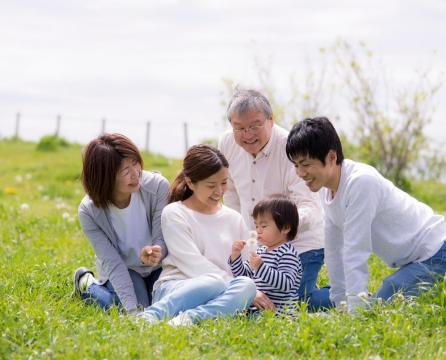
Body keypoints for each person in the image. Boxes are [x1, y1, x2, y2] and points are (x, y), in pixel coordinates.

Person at [285, 116, 446, 312]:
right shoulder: (326, 189)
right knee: (379, 298)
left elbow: (355, 251)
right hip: (415, 259)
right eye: (295, 165)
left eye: (306, 164)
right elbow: (334, 249)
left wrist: (355, 313)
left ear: (331, 157)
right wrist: (339, 302)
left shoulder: (360, 182)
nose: (300, 173)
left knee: (380, 305)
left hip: (436, 251)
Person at [218, 88, 331, 311]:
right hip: (259, 246)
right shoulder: (227, 143)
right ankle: (306, 285)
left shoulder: (290, 147)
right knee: (252, 299)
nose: (247, 135)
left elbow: (309, 206)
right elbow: (231, 195)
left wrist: (282, 229)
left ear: (271, 120)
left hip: (301, 244)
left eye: (255, 126)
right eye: (239, 128)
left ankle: (348, 293)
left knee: (294, 303)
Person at [138, 144, 256, 326]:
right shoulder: (174, 213)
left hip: (223, 289)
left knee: (248, 285)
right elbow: (193, 265)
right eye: (211, 185)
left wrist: (251, 291)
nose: (219, 191)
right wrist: (234, 289)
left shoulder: (234, 218)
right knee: (213, 282)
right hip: (179, 287)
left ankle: (187, 320)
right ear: (191, 182)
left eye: (224, 183)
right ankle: (151, 315)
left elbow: (247, 267)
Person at [72, 133, 170, 314]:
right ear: (106, 178)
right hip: (124, 269)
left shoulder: (157, 186)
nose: (136, 174)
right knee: (138, 310)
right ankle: (86, 285)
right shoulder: (89, 211)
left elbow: (161, 237)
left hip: (158, 266)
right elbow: (113, 263)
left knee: (163, 308)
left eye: (135, 162)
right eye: (126, 172)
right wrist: (134, 312)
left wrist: (157, 251)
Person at [229, 194, 302, 316]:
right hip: (258, 308)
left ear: (285, 228)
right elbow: (244, 276)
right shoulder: (260, 251)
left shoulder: (287, 253)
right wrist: (236, 258)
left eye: (263, 226)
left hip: (280, 312)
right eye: (256, 225)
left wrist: (261, 267)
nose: (258, 230)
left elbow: (286, 284)